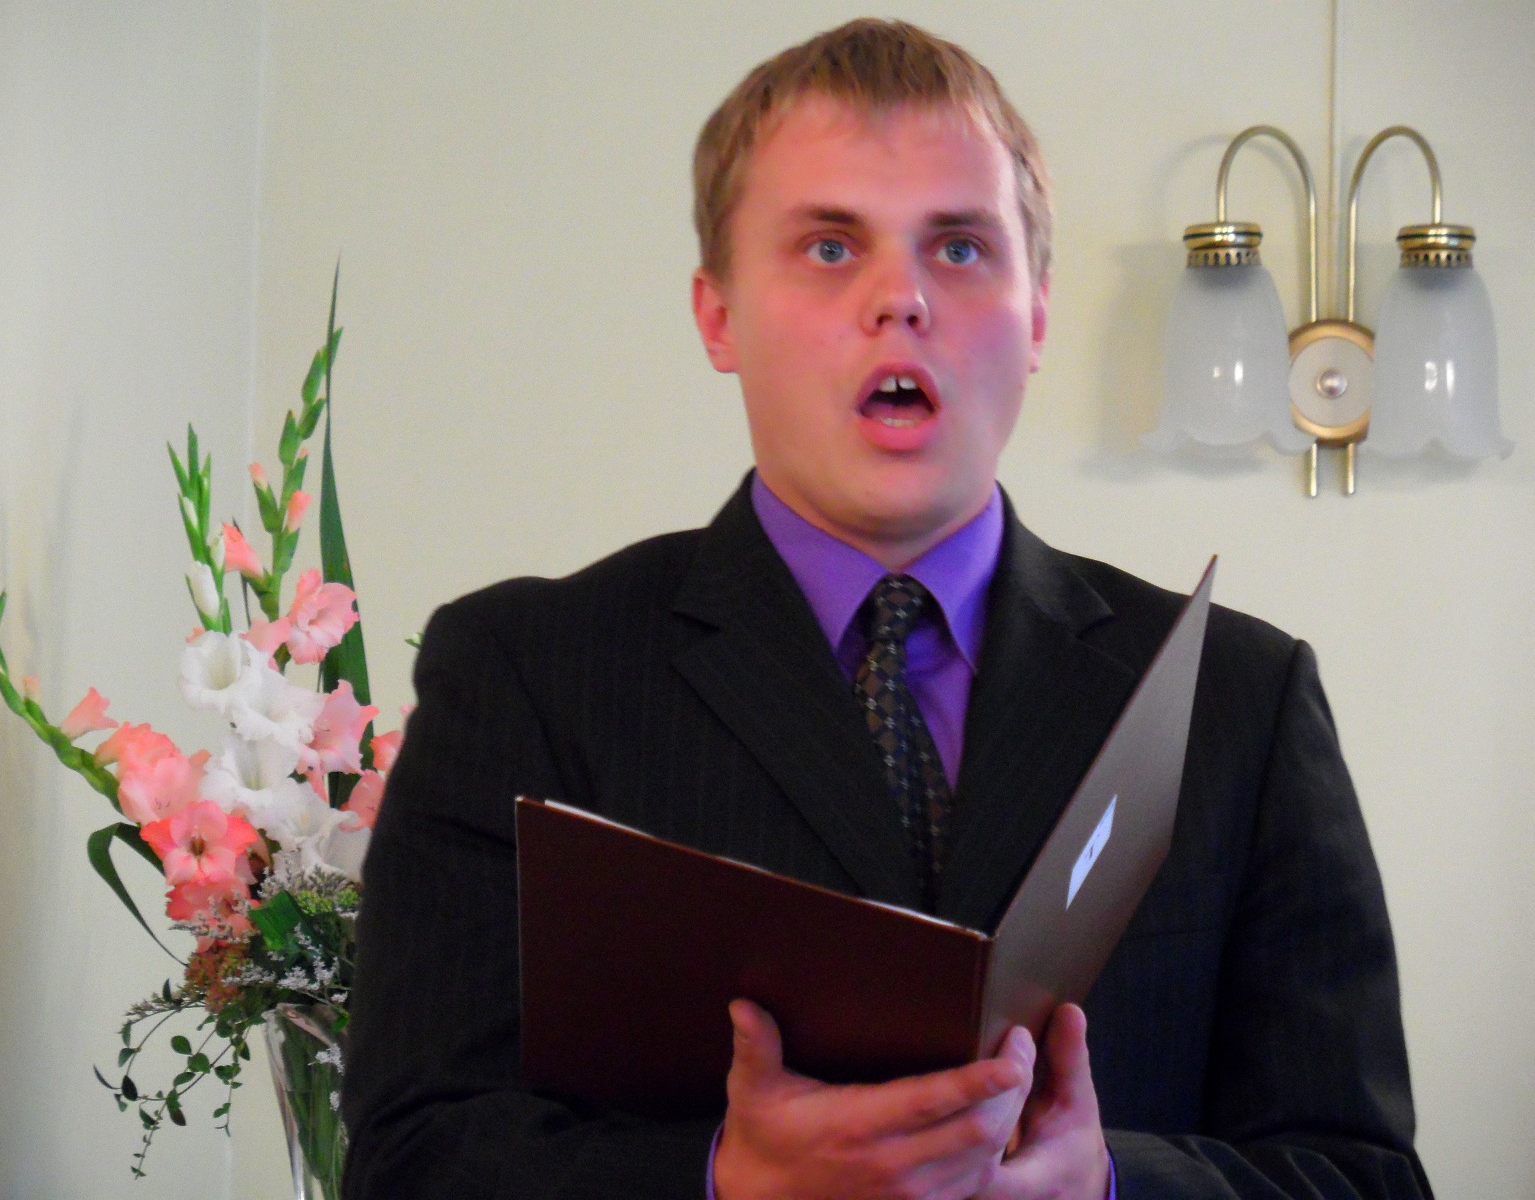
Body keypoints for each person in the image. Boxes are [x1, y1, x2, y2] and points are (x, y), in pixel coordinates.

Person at [342, 19, 1431, 1200]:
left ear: (1037, 313)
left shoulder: (1239, 700)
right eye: (828, 246)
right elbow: (410, 1161)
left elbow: (1363, 1176)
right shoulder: (522, 672)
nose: (901, 298)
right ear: (717, 315)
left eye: (959, 248)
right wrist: (722, 1180)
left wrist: (1109, 1187)